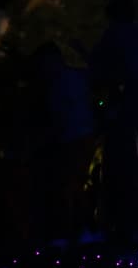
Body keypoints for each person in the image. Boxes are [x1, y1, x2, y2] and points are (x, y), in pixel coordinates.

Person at [90, 0, 138, 251]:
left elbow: (100, 65)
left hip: (127, 104)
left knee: (120, 158)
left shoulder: (117, 36)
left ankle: (121, 220)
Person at [29, 42, 96, 247]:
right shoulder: (63, 80)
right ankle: (73, 230)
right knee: (68, 184)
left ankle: (75, 230)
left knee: (69, 185)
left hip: (77, 137)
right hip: (72, 137)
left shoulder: (67, 80)